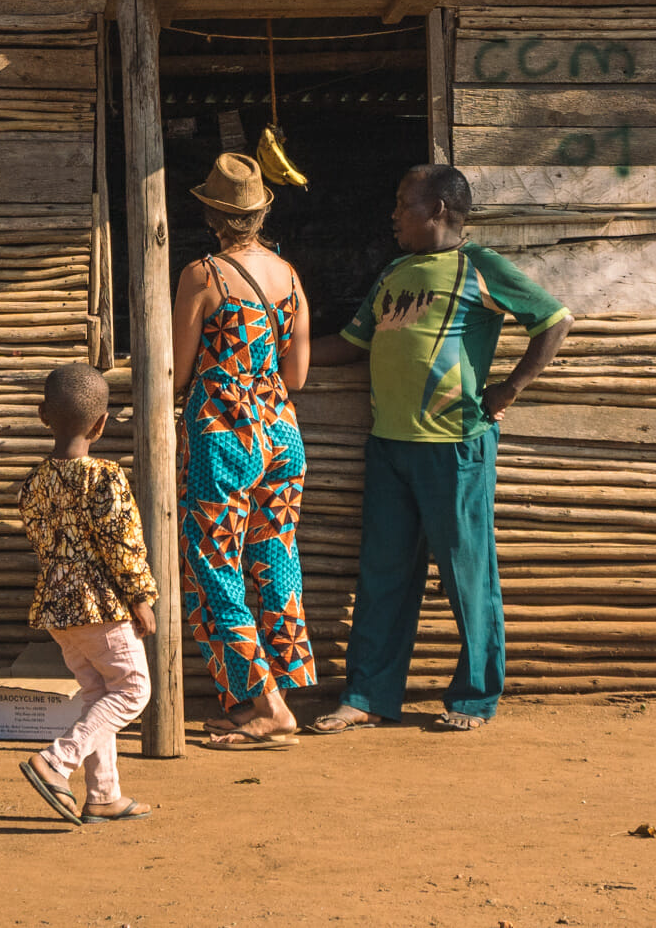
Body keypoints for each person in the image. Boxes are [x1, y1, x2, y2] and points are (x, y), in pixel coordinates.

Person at [306, 164, 572, 733]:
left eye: (405, 203)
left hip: (454, 447)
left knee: (467, 572)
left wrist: (510, 387)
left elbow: (553, 319)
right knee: (383, 574)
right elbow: (349, 344)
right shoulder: (395, 274)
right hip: (390, 447)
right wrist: (277, 354)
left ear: (441, 210)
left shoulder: (481, 268)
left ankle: (474, 696)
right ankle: (368, 696)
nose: (395, 214)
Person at [173, 151, 314, 751]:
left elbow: (178, 372)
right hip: (280, 433)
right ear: (260, 214)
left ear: (211, 214)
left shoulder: (204, 276)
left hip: (223, 435)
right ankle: (275, 690)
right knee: (275, 560)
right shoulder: (289, 274)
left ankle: (267, 706)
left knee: (214, 565)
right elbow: (298, 374)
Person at [17, 363, 158, 824]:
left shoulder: (34, 482)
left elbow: (39, 537)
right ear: (101, 424)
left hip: (58, 610)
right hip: (101, 608)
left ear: (43, 416)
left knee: (99, 691)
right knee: (134, 689)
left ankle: (103, 795)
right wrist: (139, 596)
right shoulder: (105, 478)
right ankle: (57, 761)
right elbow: (124, 541)